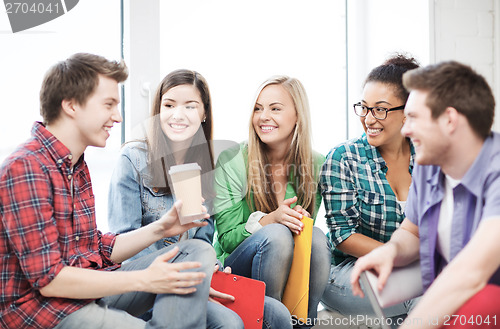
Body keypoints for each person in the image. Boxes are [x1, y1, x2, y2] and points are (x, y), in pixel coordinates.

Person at [0, 53, 217, 329]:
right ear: (71, 105)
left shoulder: (75, 164)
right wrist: (146, 278)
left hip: (86, 292)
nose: (118, 116)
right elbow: (50, 280)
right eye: (109, 105)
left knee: (196, 252)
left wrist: (162, 228)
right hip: (46, 311)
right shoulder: (26, 168)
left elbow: (97, 248)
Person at [108, 69, 290, 329]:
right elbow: (126, 246)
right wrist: (193, 279)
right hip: (150, 281)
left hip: (194, 275)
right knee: (229, 323)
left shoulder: (208, 165)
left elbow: (204, 241)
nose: (177, 114)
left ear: (204, 113)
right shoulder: (134, 159)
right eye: (168, 105)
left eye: (190, 106)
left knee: (278, 315)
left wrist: (212, 270)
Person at [351, 61, 500, 329]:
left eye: (415, 118)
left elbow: (472, 273)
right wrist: (391, 251)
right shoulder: (428, 166)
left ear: (450, 120)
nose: (406, 130)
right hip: (462, 303)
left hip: (482, 303)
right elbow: (412, 232)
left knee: (486, 301)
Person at [214, 75, 331, 327]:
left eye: (275, 108)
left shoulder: (317, 164)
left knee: (318, 239)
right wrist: (269, 220)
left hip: (286, 267)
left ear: (298, 115)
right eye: (258, 109)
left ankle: (303, 324)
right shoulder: (233, 160)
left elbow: (306, 242)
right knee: (277, 234)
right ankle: (270, 322)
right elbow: (226, 239)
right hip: (234, 268)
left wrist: (301, 220)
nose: (263, 116)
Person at [320, 54, 420, 318]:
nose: (368, 118)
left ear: (408, 111)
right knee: (426, 292)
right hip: (349, 273)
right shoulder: (343, 157)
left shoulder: (427, 156)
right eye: (363, 107)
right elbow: (343, 236)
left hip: (415, 268)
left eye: (381, 109)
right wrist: (401, 258)